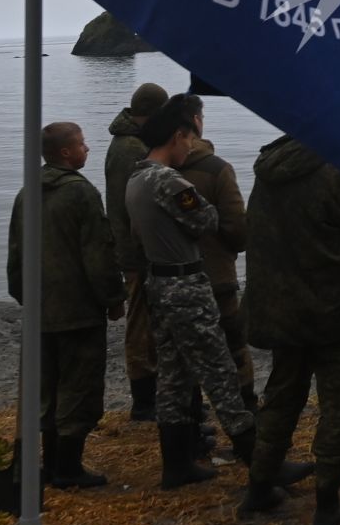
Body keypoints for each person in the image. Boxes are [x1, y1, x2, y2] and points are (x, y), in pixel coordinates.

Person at [243, 135, 340, 525]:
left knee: (282, 393)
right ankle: (327, 499)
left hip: (281, 306)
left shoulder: (267, 169)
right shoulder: (338, 173)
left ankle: (258, 485)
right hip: (334, 308)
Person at [126, 95, 260, 488]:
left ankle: (176, 464)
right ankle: (261, 465)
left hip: (159, 283)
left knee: (174, 377)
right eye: (188, 139)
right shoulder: (167, 180)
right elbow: (206, 218)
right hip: (185, 286)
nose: (190, 147)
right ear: (178, 135)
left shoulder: (135, 178)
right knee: (220, 371)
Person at [6, 121, 126, 488]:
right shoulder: (81, 193)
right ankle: (68, 468)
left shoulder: (27, 192)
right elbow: (98, 254)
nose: (87, 149)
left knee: (46, 389)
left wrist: (24, 295)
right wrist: (113, 298)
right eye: (82, 144)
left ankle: (48, 463)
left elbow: (15, 253)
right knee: (78, 388)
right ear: (65, 153)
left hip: (41, 309)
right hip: (78, 311)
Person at [175, 116, 255, 412]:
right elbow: (236, 226)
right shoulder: (217, 168)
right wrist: (232, 250)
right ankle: (246, 413)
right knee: (235, 348)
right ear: (197, 121)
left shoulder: (154, 169)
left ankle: (193, 423)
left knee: (183, 353)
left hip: (173, 281)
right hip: (218, 275)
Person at [105, 81, 168, 421]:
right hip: (137, 252)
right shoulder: (130, 148)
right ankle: (144, 400)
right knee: (141, 325)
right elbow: (132, 204)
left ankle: (151, 394)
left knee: (149, 323)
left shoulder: (130, 142)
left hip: (137, 247)